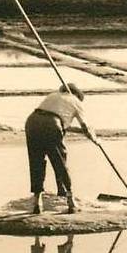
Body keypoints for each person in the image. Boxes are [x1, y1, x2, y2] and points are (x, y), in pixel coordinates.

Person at [24, 82, 97, 215]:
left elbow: (62, 123)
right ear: (76, 94)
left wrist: (84, 133)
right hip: (52, 124)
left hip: (32, 121)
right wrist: (94, 138)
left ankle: (37, 202)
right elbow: (84, 126)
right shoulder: (76, 101)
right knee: (60, 162)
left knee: (36, 162)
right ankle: (71, 202)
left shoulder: (53, 96)